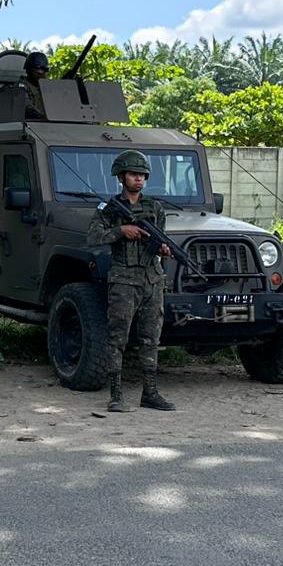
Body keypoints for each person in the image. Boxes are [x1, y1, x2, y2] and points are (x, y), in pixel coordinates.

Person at [86, 150, 176, 413]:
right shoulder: (109, 209)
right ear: (122, 176)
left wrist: (163, 249)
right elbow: (92, 237)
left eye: (142, 176)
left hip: (152, 279)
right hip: (124, 280)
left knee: (151, 338)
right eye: (134, 175)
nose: (138, 180)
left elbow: (161, 240)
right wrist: (121, 231)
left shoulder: (155, 208)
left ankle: (150, 393)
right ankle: (116, 394)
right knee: (118, 338)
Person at [23, 51, 49, 117]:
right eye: (37, 68)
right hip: (31, 124)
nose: (40, 72)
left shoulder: (48, 88)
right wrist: (43, 117)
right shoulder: (22, 86)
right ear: (28, 70)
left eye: (43, 69)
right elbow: (28, 107)